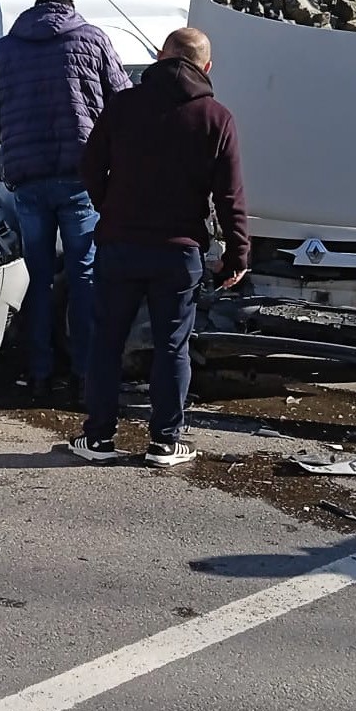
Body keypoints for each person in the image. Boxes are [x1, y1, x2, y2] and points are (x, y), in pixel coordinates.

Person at [68, 27, 248, 468]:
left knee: (107, 341)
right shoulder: (215, 117)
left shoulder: (124, 104)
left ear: (160, 56)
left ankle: (99, 439)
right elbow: (230, 196)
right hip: (179, 251)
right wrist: (238, 253)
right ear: (206, 67)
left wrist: (108, 207)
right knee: (172, 346)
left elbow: (90, 167)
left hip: (119, 243)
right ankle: (165, 442)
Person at [0, 0, 130, 406]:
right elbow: (123, 102)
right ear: (69, 10)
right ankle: (84, 374)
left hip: (28, 179)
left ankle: (39, 373)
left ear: (34, 11)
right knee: (84, 274)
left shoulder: (4, 49)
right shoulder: (93, 39)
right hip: (81, 178)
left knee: (37, 277)